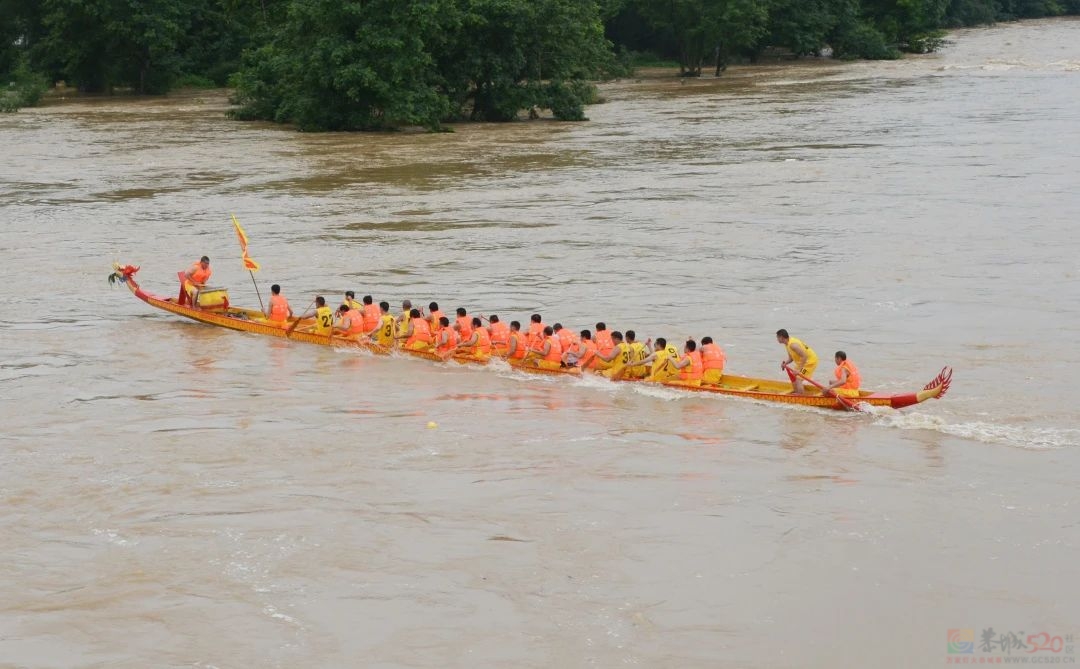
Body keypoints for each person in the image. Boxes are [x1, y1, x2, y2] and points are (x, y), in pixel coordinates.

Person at [777, 328, 818, 395]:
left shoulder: (793, 345)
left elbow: (804, 356)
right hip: (803, 361)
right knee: (794, 375)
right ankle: (797, 391)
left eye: (777, 337)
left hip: (810, 362)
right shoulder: (787, 344)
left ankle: (800, 395)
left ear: (781, 337)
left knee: (798, 378)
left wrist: (799, 369)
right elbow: (791, 358)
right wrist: (785, 364)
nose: (777, 339)